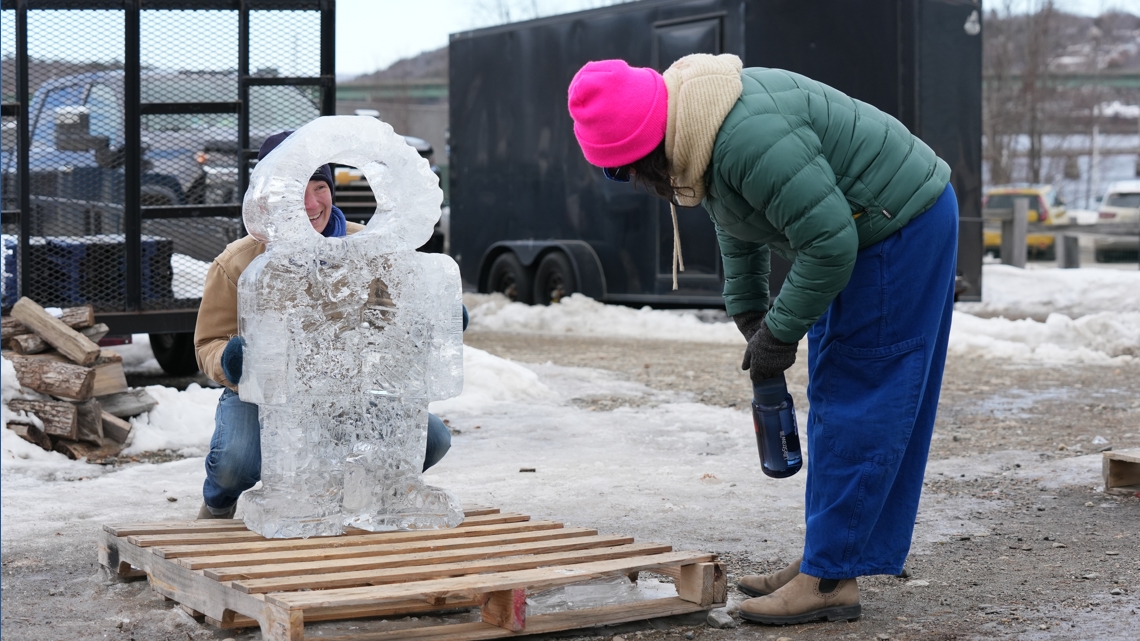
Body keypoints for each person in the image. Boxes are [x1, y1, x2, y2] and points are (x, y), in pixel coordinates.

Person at [567, 55, 958, 625]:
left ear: (646, 146)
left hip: (898, 228)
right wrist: (750, 307)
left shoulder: (746, 136)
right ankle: (825, 557)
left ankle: (828, 579)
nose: (628, 182)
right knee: (832, 393)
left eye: (622, 170)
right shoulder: (701, 123)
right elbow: (737, 214)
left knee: (860, 395)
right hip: (863, 226)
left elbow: (829, 244)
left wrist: (780, 332)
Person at [193, 131, 465, 520]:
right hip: (266, 393)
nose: (310, 203)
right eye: (295, 191)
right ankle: (218, 505)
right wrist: (235, 360)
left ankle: (351, 493)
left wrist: (436, 320)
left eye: (319, 186)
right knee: (236, 460)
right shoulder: (240, 263)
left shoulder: (370, 246)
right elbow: (207, 343)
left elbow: (390, 314)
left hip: (349, 387)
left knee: (431, 438)